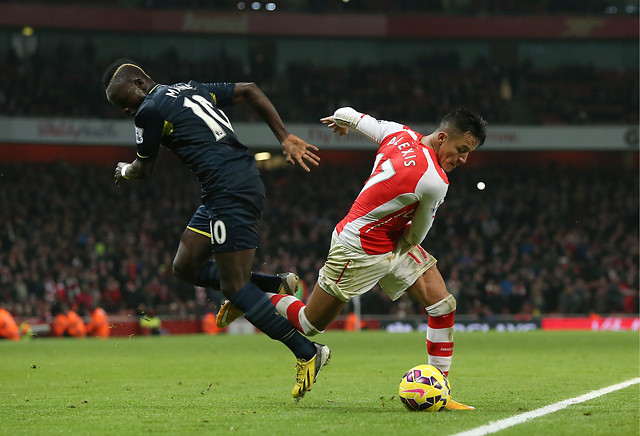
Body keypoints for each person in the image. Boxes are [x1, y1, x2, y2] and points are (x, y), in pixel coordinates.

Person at [217, 106, 487, 409]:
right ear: (441, 137)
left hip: (388, 239)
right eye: (461, 149)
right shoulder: (435, 181)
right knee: (309, 324)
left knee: (442, 304)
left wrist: (341, 122)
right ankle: (260, 298)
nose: (463, 159)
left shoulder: (399, 133)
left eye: (467, 154)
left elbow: (350, 114)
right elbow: (417, 236)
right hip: (358, 248)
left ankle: (440, 390)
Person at [101, 59, 329, 400]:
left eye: (123, 101)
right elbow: (250, 90)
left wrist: (123, 170)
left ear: (137, 83)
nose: (124, 110)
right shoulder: (191, 88)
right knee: (185, 266)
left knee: (235, 287)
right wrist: (284, 136)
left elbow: (143, 170)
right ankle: (275, 284)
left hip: (229, 191)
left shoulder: (148, 109)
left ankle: (307, 351)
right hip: (225, 189)